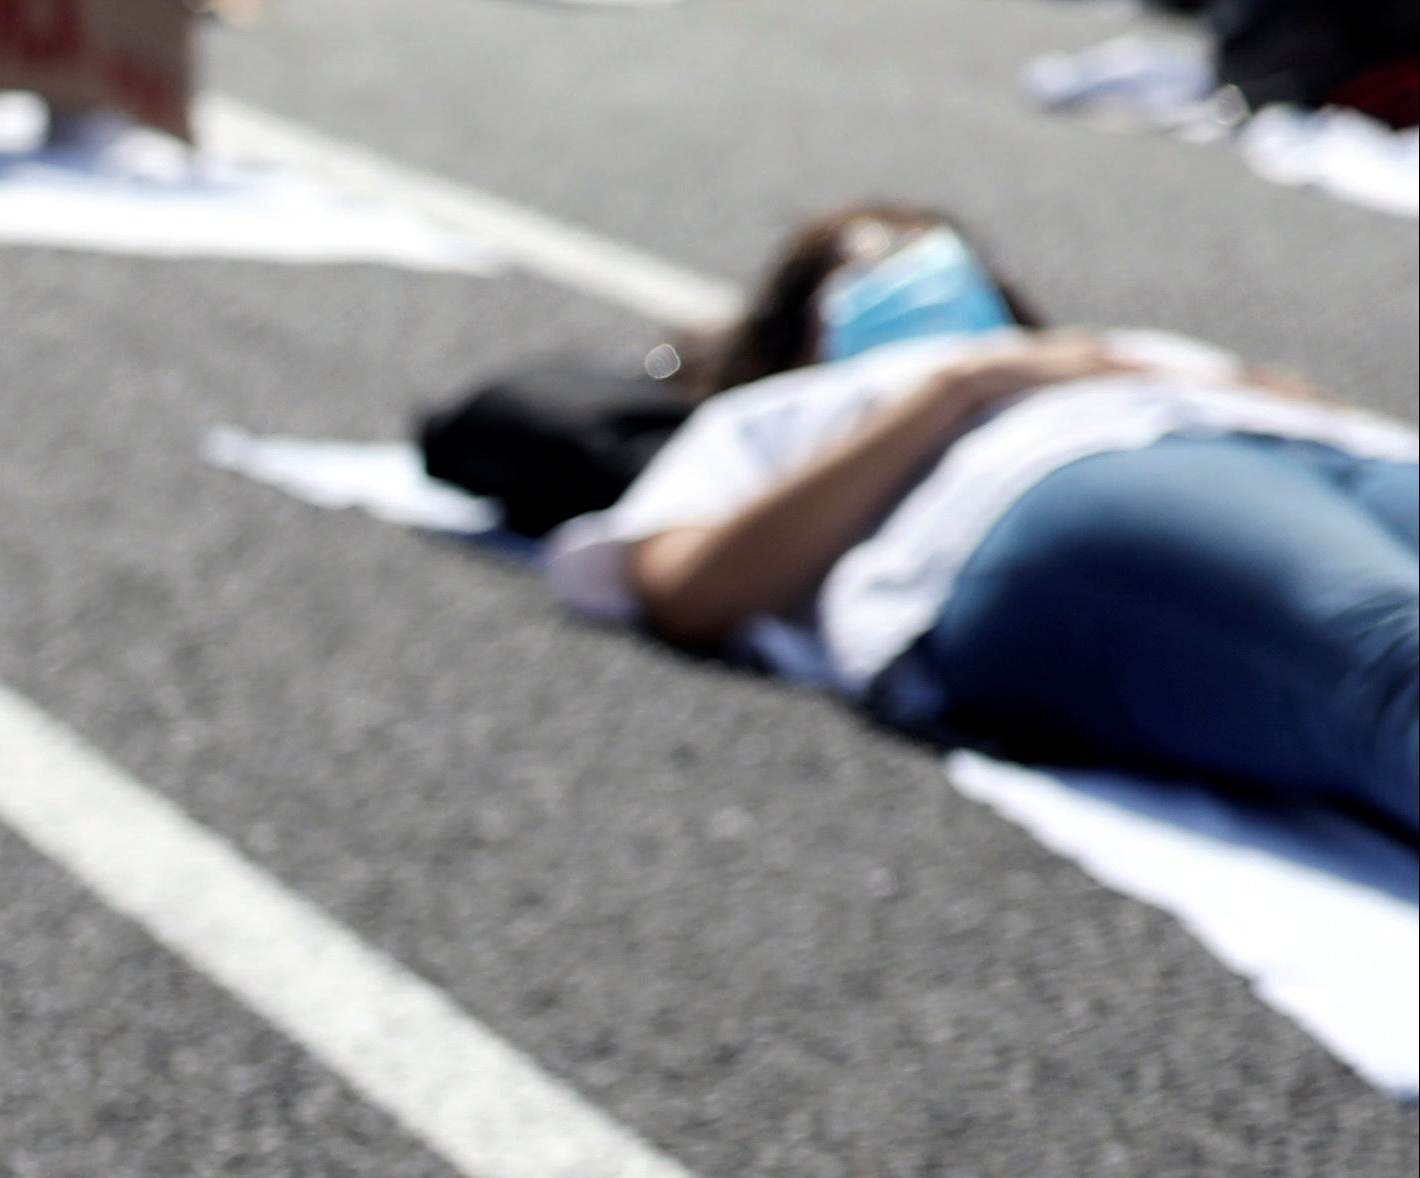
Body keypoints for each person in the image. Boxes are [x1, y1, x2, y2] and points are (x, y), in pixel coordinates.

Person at [551, 201, 1416, 835]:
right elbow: (688, 589)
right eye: (862, 262)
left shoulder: (1108, 346)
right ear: (798, 331)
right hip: (1063, 481)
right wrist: (954, 391)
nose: (909, 267)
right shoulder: (793, 410)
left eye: (932, 253)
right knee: (1391, 658)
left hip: (1310, 450)